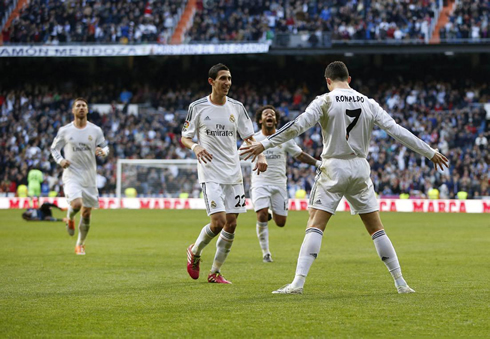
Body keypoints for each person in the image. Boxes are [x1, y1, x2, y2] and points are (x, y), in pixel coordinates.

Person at [241, 61, 449, 294]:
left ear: (328, 81)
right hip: (360, 167)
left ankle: (297, 283)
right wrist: (430, 152)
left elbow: (296, 126)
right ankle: (401, 283)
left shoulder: (324, 100)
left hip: (333, 166)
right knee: (376, 228)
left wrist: (264, 143)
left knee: (316, 224)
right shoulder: (369, 103)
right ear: (349, 79)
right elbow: (397, 130)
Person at [182, 63, 268, 284]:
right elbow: (185, 136)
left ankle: (215, 272)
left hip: (233, 172)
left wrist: (261, 155)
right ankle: (195, 251)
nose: (227, 83)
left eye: (229, 78)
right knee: (218, 221)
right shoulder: (198, 107)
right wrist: (195, 147)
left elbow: (249, 136)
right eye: (223, 78)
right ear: (211, 81)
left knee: (231, 223)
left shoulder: (237, 107)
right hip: (210, 172)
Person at [243, 105, 321, 263]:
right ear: (260, 120)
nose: (269, 116)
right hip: (260, 182)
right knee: (262, 214)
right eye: (266, 114)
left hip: (279, 184)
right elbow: (239, 154)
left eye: (272, 114)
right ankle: (266, 253)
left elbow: (299, 155)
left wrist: (318, 163)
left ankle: (270, 213)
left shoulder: (284, 138)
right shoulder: (253, 139)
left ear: (276, 120)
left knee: (280, 222)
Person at [50, 98, 109, 255]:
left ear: (88, 110)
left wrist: (103, 152)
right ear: (73, 110)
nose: (81, 108)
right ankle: (70, 218)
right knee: (77, 204)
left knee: (87, 213)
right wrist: (60, 160)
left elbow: (106, 147)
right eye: (78, 106)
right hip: (72, 175)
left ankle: (80, 244)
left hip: (89, 177)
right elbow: (54, 149)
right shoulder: (65, 130)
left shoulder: (95, 130)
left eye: (84, 106)